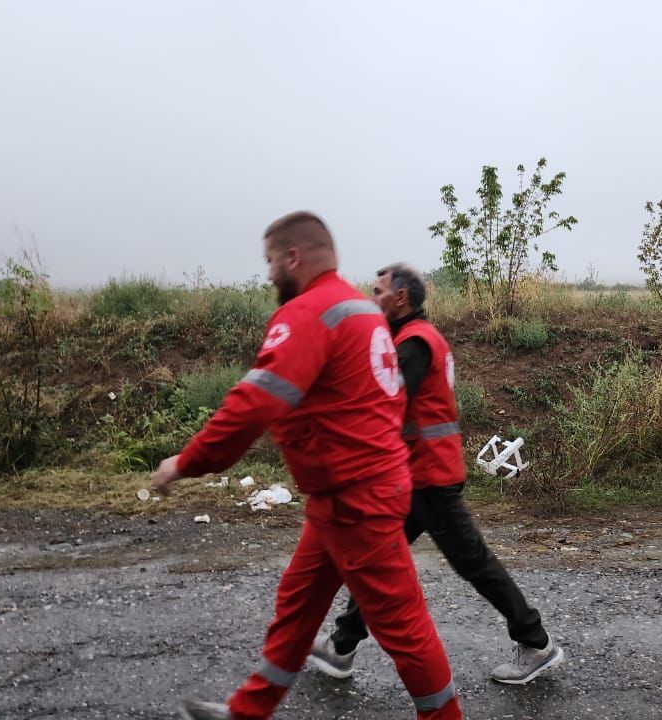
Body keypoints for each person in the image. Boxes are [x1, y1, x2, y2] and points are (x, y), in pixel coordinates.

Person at [150, 214, 462, 720]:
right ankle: (248, 711)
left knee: (403, 627)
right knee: (298, 604)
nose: (269, 273)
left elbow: (253, 404)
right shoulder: (362, 310)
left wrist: (185, 463)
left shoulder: (310, 312)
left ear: (293, 257)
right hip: (344, 494)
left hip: (359, 499)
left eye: (271, 261)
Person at [307, 262, 564, 686]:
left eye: (377, 291)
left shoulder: (413, 344)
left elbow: (382, 405)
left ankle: (536, 642)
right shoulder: (417, 338)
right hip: (416, 477)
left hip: (428, 478)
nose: (372, 299)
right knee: (374, 559)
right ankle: (342, 646)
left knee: (475, 565)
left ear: (401, 297)